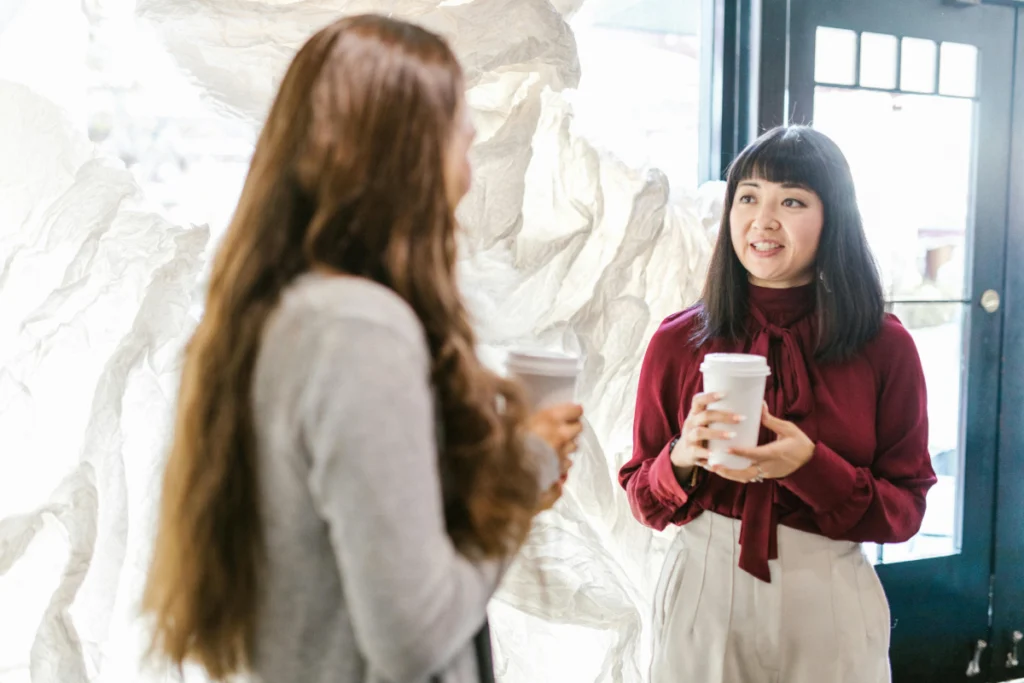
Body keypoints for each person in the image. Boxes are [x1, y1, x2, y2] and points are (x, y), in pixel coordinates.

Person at [141, 15, 583, 683]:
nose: (470, 149)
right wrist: (526, 471)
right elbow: (413, 639)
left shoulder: (293, 309)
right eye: (457, 126)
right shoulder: (359, 329)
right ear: (400, 155)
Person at [619, 125, 937, 683]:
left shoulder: (886, 347)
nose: (762, 220)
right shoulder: (677, 342)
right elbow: (643, 500)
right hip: (704, 587)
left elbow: (906, 510)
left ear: (832, 217)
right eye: (748, 197)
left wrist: (812, 469)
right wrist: (682, 458)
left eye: (791, 200)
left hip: (830, 593)